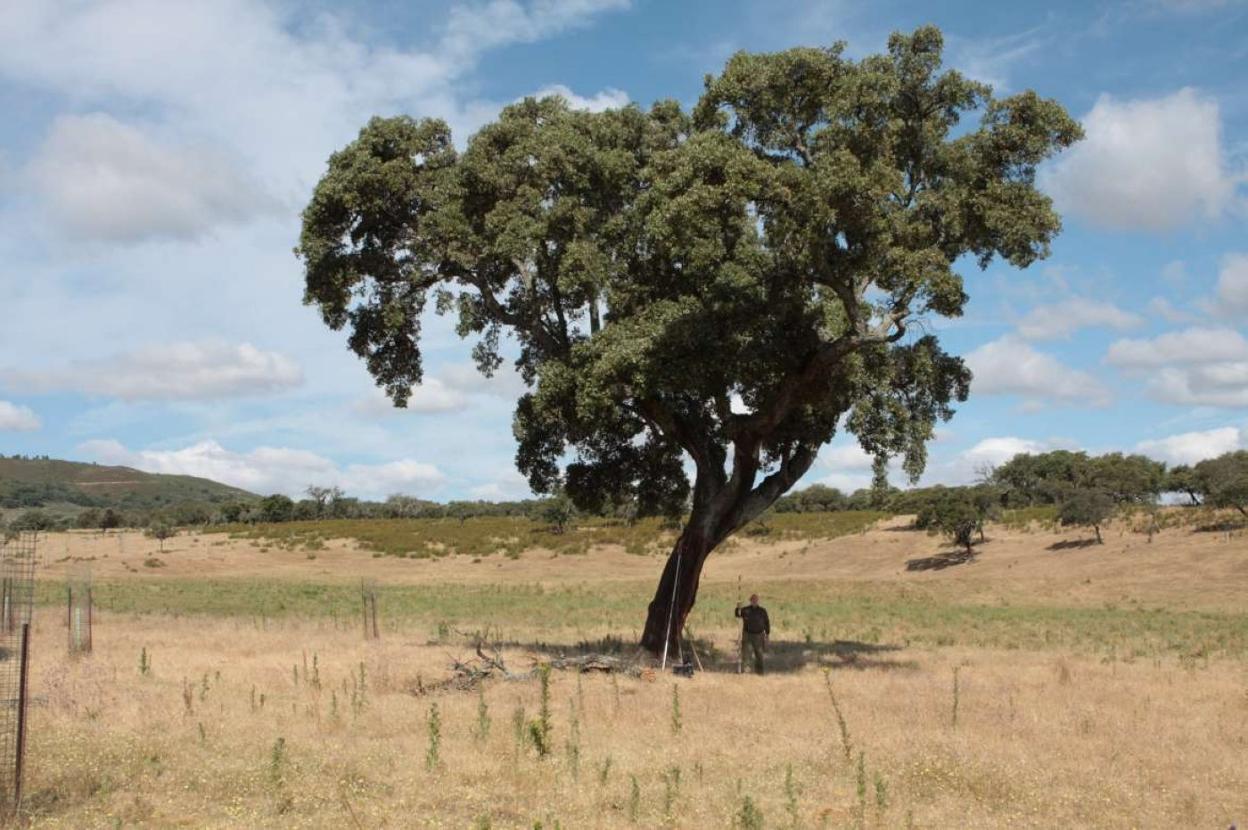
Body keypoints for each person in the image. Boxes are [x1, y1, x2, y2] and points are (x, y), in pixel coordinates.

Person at [735, 593, 770, 675]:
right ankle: (745, 671)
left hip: (759, 635)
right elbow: (737, 614)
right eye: (753, 600)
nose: (754, 601)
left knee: (759, 654)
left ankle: (760, 672)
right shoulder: (745, 610)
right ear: (750, 601)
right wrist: (738, 607)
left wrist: (767, 634)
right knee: (746, 653)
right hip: (747, 635)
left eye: (756, 600)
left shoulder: (762, 611)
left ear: (758, 601)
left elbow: (767, 622)